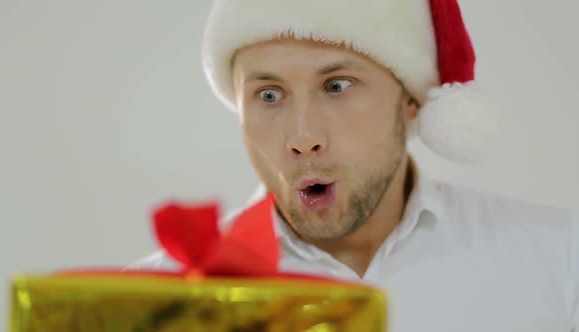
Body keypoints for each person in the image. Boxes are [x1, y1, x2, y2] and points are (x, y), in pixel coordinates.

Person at [132, 0, 579, 330]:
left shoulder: (559, 262)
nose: (303, 138)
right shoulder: (154, 302)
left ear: (410, 101)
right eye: (269, 95)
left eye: (337, 86)